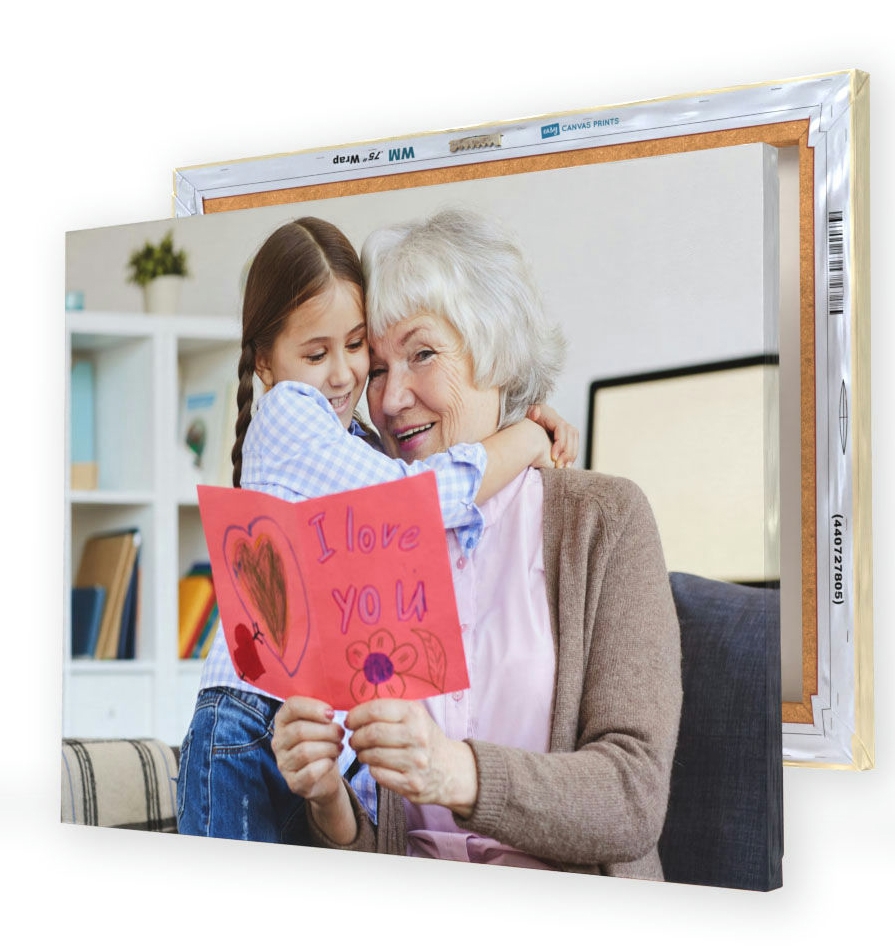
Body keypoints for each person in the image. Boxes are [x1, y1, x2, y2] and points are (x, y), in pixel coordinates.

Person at [272, 207, 683, 879]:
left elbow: (632, 799)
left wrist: (451, 770)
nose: (393, 397)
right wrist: (328, 802)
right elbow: (386, 843)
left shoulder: (604, 520)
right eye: (376, 369)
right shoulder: (370, 539)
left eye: (422, 354)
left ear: (498, 354)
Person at [176, 216, 577, 843]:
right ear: (265, 363)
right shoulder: (290, 413)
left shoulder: (351, 445)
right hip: (251, 723)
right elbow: (418, 499)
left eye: (357, 345)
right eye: (315, 354)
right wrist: (524, 436)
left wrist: (517, 414)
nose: (345, 376)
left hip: (302, 734)